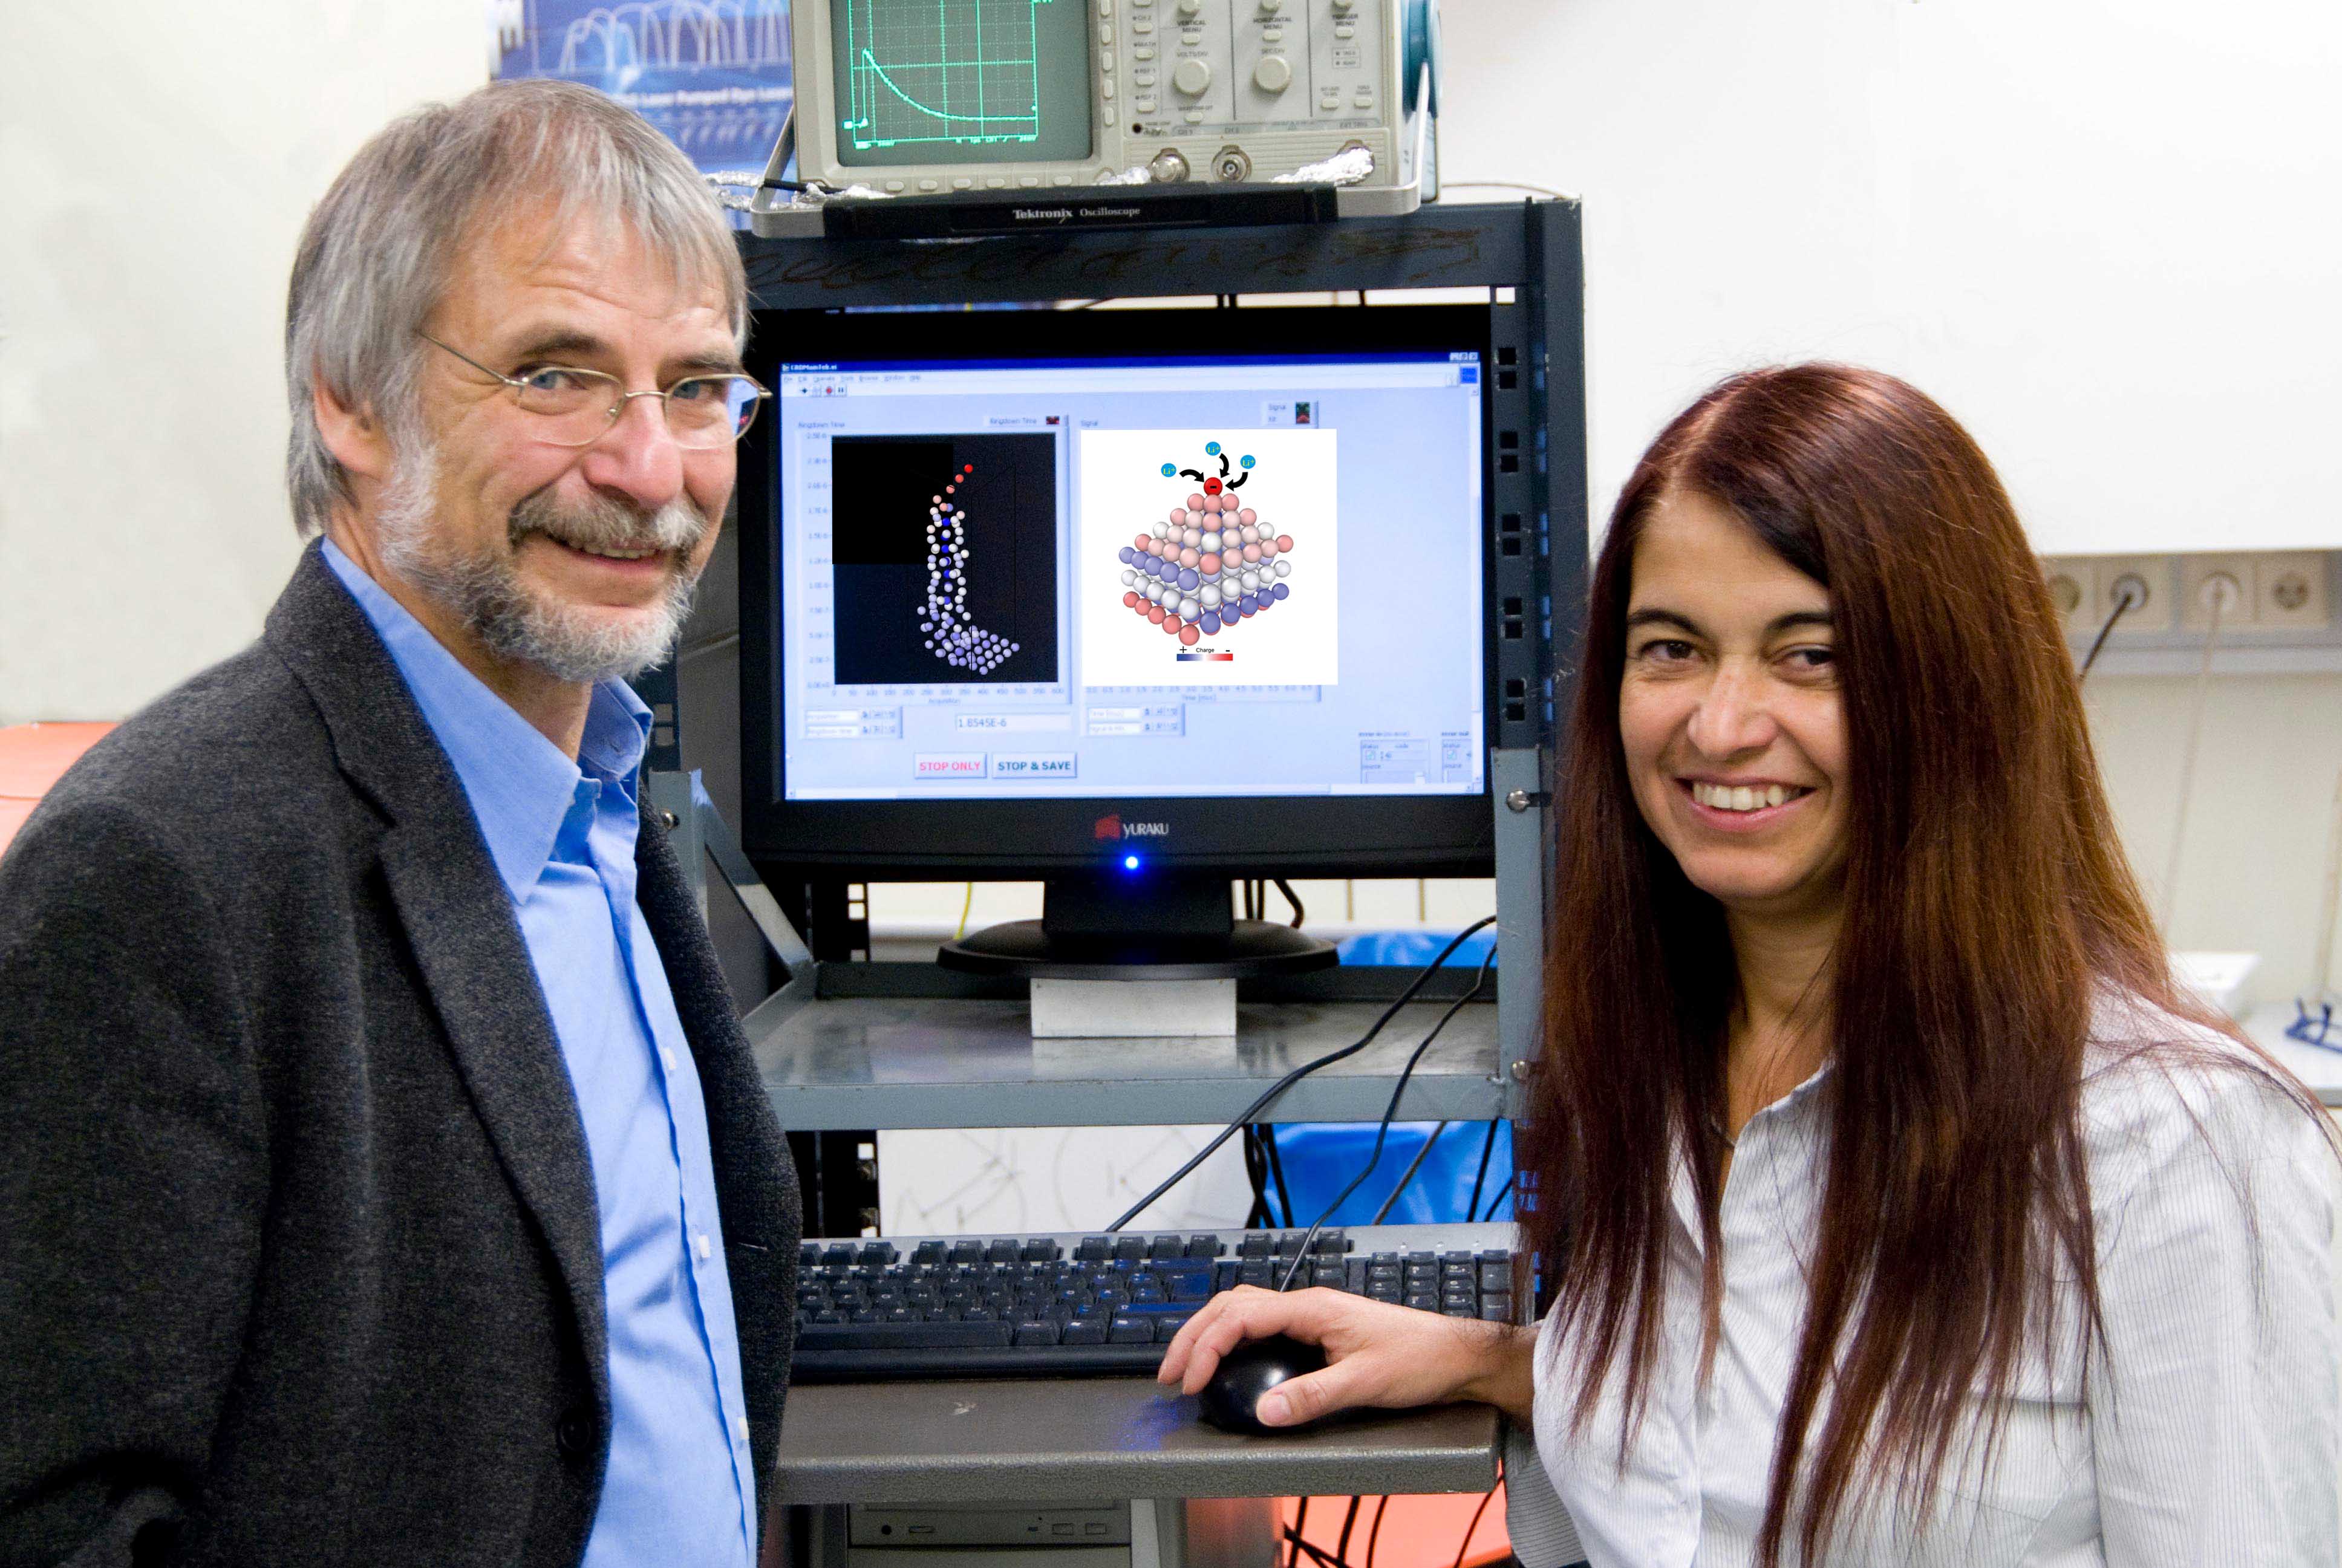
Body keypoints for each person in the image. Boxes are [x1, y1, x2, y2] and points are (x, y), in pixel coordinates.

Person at [1162, 364, 2338, 1566]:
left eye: (1810, 655)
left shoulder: (2180, 1149)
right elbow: (1733, 1430)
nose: (1721, 726)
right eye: (1671, 648)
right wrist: (1498, 1360)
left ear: (1956, 689)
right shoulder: (1655, 1060)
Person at [0, 81, 798, 1567]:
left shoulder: (593, 801)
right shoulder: (161, 872)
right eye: (555, 377)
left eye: (696, 389)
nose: (649, 471)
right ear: (349, 403)